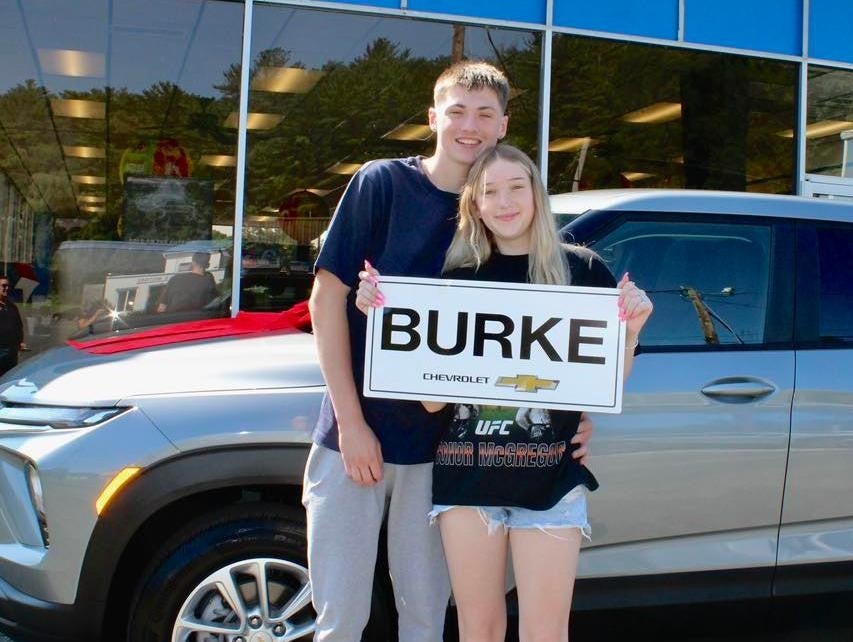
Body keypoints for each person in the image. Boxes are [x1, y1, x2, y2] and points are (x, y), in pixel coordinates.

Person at [305, 62, 595, 642]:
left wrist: (578, 412)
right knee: (340, 618)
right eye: (457, 111)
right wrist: (351, 422)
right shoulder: (382, 183)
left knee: (426, 620)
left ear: (504, 125)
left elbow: (535, 338)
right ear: (434, 117)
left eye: (485, 114)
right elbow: (324, 300)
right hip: (355, 440)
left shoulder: (497, 214)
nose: (470, 125)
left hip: (445, 454)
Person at [357, 144, 653, 641]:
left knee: (545, 631)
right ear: (474, 204)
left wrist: (632, 331)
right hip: (467, 480)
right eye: (490, 191)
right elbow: (433, 402)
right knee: (480, 629)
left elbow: (602, 388)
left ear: (536, 195)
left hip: (551, 479)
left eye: (516, 187)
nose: (505, 201)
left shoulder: (582, 272)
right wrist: (384, 319)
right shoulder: (456, 280)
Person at [0, 275, 25, 376]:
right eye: (3, 285)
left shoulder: (11, 306)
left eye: (8, 286)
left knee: (9, 377)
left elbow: (18, 325)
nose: (7, 288)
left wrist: (21, 341)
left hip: (11, 351)